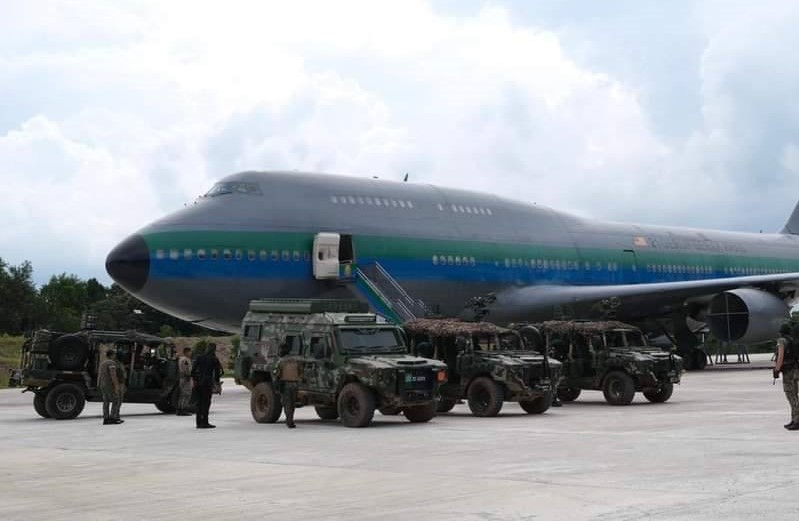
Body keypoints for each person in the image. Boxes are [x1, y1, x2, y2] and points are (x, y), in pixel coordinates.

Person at [191, 343, 222, 429]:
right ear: (214, 349)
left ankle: (198, 422)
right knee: (206, 402)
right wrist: (217, 383)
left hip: (198, 382)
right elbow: (217, 373)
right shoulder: (214, 359)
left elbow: (192, 371)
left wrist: (195, 379)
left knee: (199, 403)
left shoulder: (199, 357)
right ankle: (205, 422)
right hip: (207, 383)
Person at [774, 323, 799, 430]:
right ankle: (794, 419)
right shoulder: (792, 340)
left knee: (791, 396)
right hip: (795, 370)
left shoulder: (781, 341)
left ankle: (797, 421)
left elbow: (780, 356)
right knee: (795, 395)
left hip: (788, 372)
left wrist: (777, 369)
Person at [274, 343, 301, 428]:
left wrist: (276, 385)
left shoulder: (281, 361)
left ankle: (289, 421)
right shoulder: (295, 360)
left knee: (287, 403)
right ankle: (290, 420)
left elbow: (277, 374)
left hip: (286, 384)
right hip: (295, 384)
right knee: (292, 403)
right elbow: (300, 373)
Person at [98, 348, 124, 425]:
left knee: (106, 401)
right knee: (116, 400)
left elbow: (100, 375)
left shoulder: (103, 363)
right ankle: (113, 417)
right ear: (112, 355)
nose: (115, 356)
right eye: (114, 354)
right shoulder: (112, 363)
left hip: (103, 384)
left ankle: (106, 418)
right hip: (110, 385)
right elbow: (113, 375)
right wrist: (116, 386)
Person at [177, 347, 193, 416]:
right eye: (190, 352)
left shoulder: (182, 359)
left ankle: (180, 409)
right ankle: (183, 409)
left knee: (182, 394)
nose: (191, 353)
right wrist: (188, 375)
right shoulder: (185, 360)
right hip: (185, 379)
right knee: (186, 394)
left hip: (183, 378)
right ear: (186, 352)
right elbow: (185, 370)